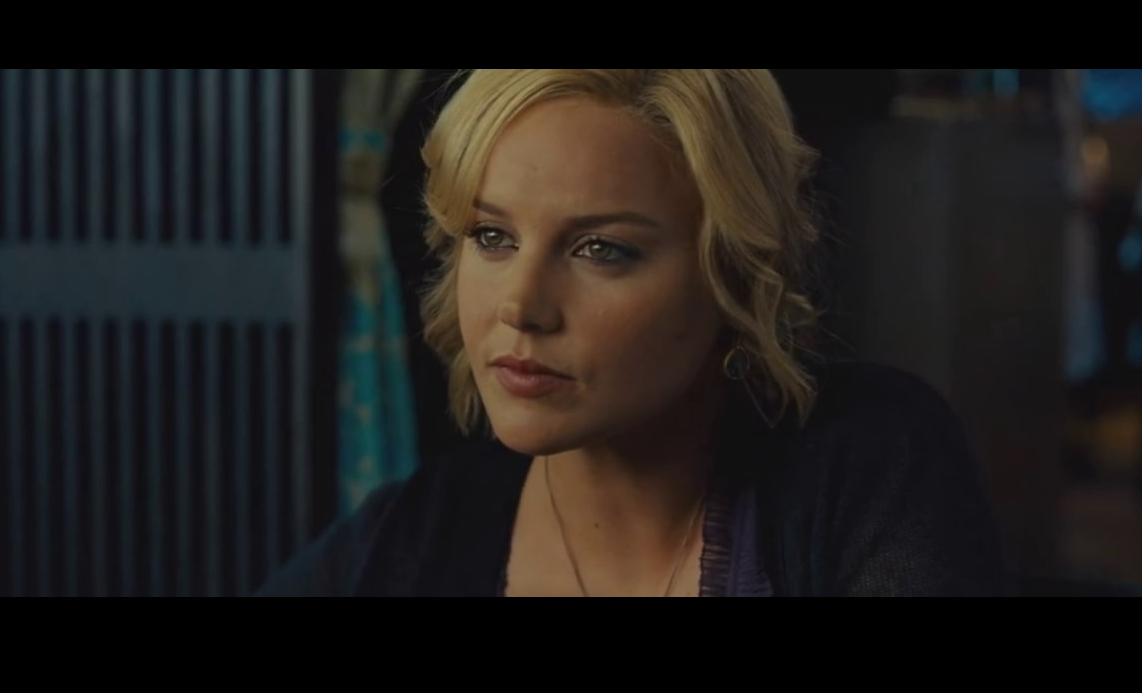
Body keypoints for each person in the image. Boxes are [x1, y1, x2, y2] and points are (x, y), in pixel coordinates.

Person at [259, 69, 1013, 597]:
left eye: (600, 249)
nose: (520, 306)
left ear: (730, 273)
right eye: (492, 236)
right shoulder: (410, 541)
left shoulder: (868, 463)